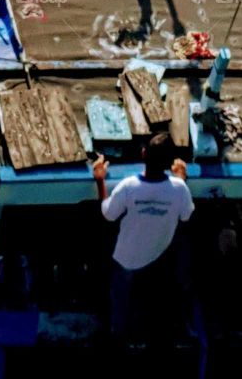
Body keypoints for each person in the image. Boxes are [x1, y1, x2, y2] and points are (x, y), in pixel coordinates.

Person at [93, 131, 194, 344]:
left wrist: (100, 181)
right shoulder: (180, 189)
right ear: (169, 164)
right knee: (151, 298)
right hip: (157, 256)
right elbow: (186, 215)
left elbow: (108, 214)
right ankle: (152, 335)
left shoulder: (129, 187)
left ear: (143, 154)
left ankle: (117, 336)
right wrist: (181, 179)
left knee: (120, 299)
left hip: (126, 259)